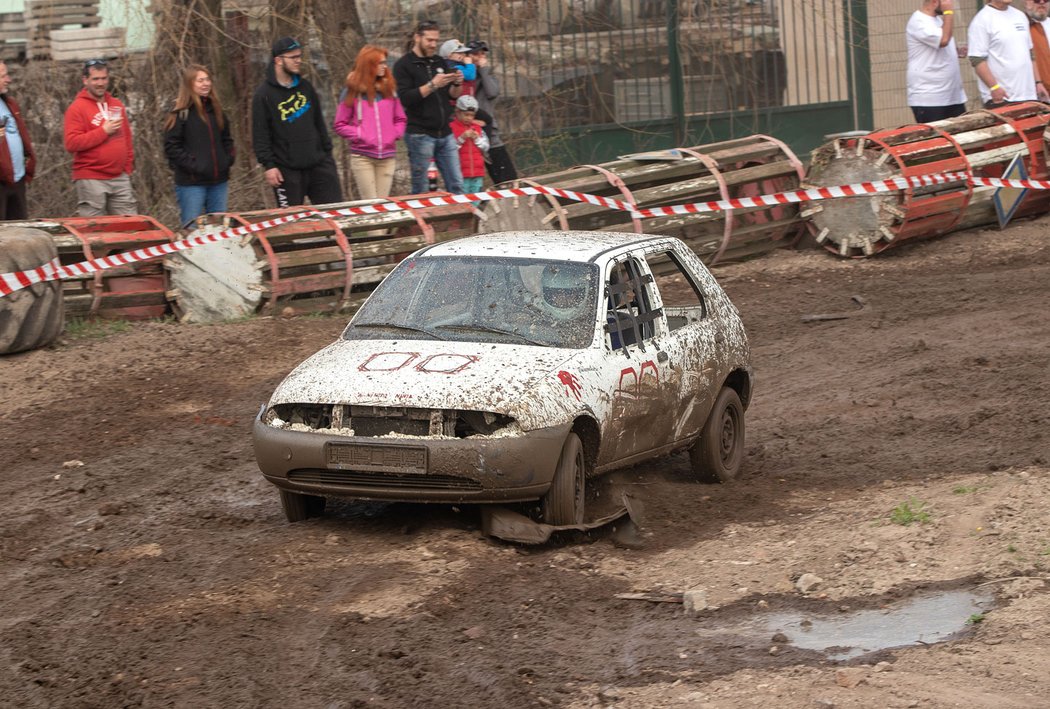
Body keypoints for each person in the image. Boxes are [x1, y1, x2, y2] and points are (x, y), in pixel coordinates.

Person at [252, 37, 343, 208]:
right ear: (278, 60)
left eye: (299, 56)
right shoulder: (263, 95)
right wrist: (269, 165)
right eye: (293, 57)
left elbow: (319, 123)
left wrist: (327, 154)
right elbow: (260, 134)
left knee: (335, 214)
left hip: (319, 164)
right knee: (290, 224)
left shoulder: (306, 87)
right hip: (286, 170)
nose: (298, 60)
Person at [394, 20, 465, 194]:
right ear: (417, 38)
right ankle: (423, 221)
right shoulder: (404, 65)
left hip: (445, 132)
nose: (433, 44)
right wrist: (432, 85)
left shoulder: (439, 61)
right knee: (422, 188)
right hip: (420, 133)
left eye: (436, 40)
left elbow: (452, 95)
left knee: (457, 184)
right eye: (429, 40)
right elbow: (405, 98)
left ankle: (459, 220)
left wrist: (457, 83)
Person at [163, 64, 235, 227]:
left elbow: (227, 139)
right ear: (190, 85)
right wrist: (194, 165)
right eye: (200, 80)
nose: (205, 84)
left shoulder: (216, 110)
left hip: (219, 181)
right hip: (192, 183)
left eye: (207, 79)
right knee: (192, 229)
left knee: (220, 230)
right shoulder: (180, 113)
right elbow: (171, 147)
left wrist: (227, 159)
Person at [63, 58, 137, 217]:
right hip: (91, 177)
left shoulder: (116, 104)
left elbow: (127, 139)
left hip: (120, 177)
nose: (100, 83)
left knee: (130, 225)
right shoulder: (76, 108)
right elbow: (72, 143)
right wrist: (103, 131)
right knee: (95, 229)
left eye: (104, 78)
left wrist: (127, 167)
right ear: (85, 80)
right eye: (95, 79)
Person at [333, 45, 407, 200]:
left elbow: (400, 118)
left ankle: (384, 226)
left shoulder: (389, 90)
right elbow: (340, 124)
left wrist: (394, 134)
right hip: (363, 157)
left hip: (387, 157)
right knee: (371, 205)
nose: (384, 66)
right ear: (368, 65)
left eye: (385, 62)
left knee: (382, 206)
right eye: (380, 63)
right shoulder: (351, 92)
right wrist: (361, 134)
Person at [968, 0, 1047, 107]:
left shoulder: (1020, 16)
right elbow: (977, 59)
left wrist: (1038, 83)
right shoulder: (982, 20)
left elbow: (1030, 52)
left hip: (1029, 95)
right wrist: (994, 87)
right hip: (1002, 98)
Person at [905, 0, 967, 122]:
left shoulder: (937, 20)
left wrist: (956, 51)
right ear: (934, 2)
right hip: (930, 98)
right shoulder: (919, 21)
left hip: (952, 96)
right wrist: (948, 12)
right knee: (937, 139)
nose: (950, 3)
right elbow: (943, 40)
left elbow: (940, 45)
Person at [466, 40, 518, 184]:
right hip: (468, 135)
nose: (480, 57)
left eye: (482, 54)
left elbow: (492, 92)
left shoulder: (487, 75)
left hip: (490, 136)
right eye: (476, 54)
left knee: (508, 180)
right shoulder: (463, 76)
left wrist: (483, 71)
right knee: (472, 183)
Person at [0, 61, 34, 220]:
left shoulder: (9, 102)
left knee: (20, 230)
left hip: (16, 180)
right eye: (3, 76)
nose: (8, 79)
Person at [450, 94, 489, 197]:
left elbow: (486, 146)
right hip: (461, 173)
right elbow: (450, 149)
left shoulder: (478, 128)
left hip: (477, 172)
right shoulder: (451, 128)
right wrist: (461, 138)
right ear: (457, 112)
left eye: (471, 115)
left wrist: (477, 139)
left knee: (476, 198)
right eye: (466, 114)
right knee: (462, 199)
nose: (469, 118)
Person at [1027, 0, 1050, 98]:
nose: (1041, 3)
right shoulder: (1021, 26)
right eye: (1036, 0)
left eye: (1046, 0)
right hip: (1032, 93)